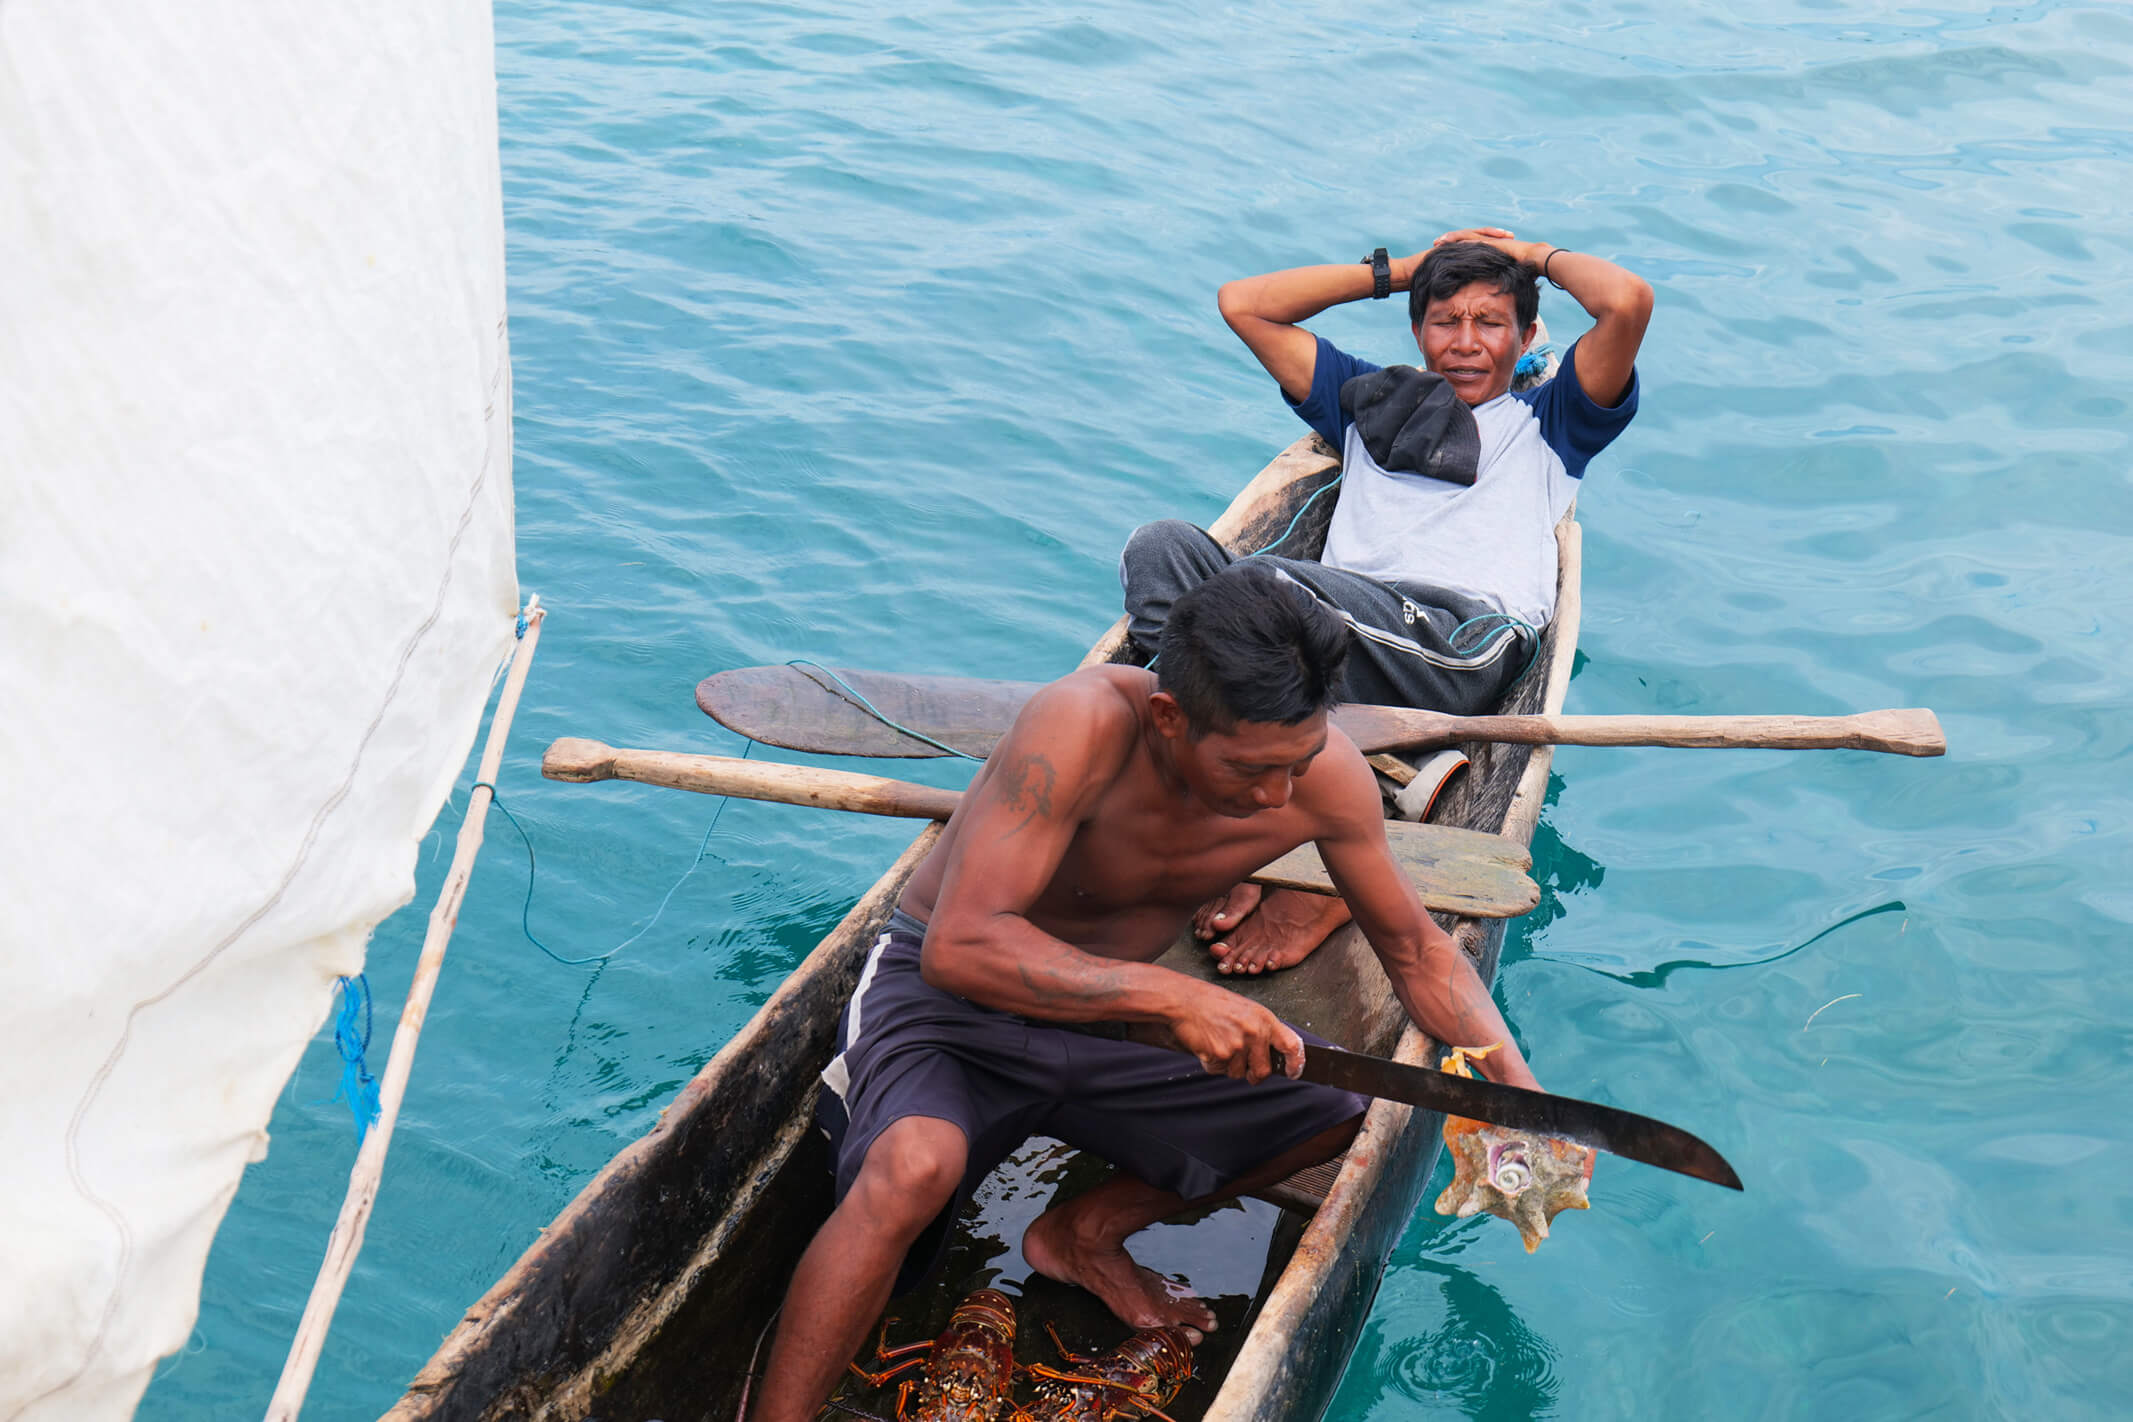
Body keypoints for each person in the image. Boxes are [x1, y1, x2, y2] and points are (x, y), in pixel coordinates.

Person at [749, 562, 1571, 1422]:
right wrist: (1176, 997)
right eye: (1249, 770)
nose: (1275, 797)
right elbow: (961, 948)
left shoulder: (1320, 776)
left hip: (1112, 1023)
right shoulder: (1076, 728)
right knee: (914, 1169)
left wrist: (1515, 1087)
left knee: (1329, 1103)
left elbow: (1416, 951)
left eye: (1295, 763)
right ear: (1170, 717)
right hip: (948, 1006)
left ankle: (1082, 1234)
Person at [1120, 228, 1652, 978]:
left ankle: (1302, 849)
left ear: (1526, 335)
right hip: (1326, 621)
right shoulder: (1370, 404)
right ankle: (1240, 793)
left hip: (1458, 639)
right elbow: (1244, 306)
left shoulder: (1550, 424)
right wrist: (1401, 271)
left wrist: (1531, 256)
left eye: (1490, 323)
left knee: (1265, 598)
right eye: (1445, 321)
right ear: (1416, 328)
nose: (1465, 343)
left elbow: (1626, 302)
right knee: (1160, 547)